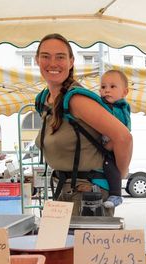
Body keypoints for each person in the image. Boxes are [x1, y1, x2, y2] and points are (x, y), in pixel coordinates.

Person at [34, 33, 133, 216]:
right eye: (46, 56)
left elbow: (124, 137)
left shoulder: (76, 99)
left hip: (87, 195)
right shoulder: (44, 100)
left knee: (76, 246)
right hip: (63, 191)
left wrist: (119, 173)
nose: (53, 63)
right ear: (37, 60)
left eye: (60, 57)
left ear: (71, 62)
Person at [99, 69, 131, 209]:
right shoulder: (100, 104)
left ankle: (116, 194)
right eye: (103, 87)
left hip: (113, 146)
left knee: (110, 166)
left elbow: (126, 130)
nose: (107, 90)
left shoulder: (122, 108)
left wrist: (112, 143)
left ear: (124, 92)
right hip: (103, 142)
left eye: (112, 87)